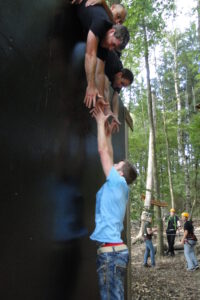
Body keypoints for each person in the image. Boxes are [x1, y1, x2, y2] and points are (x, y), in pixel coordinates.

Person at [90, 105, 137, 300]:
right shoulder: (120, 186)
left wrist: (100, 123)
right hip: (115, 252)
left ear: (119, 173)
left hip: (110, 254)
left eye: (117, 164)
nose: (114, 163)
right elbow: (108, 152)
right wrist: (107, 134)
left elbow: (103, 152)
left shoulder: (117, 182)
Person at [76, 0, 130, 108]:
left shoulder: (106, 44)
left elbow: (100, 73)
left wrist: (100, 99)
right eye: (113, 44)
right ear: (111, 32)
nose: (111, 48)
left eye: (114, 47)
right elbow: (90, 54)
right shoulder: (101, 22)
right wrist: (90, 85)